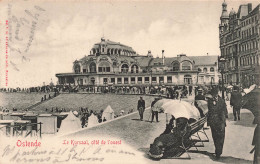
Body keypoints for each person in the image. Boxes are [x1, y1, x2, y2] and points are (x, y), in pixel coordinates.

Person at [207, 87, 228, 159]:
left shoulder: (222, 101)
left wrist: (224, 118)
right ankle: (217, 151)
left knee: (221, 137)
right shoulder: (209, 101)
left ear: (217, 94)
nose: (214, 96)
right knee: (215, 136)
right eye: (213, 95)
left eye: (215, 95)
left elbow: (225, 111)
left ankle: (219, 150)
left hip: (221, 121)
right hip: (213, 122)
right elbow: (209, 111)